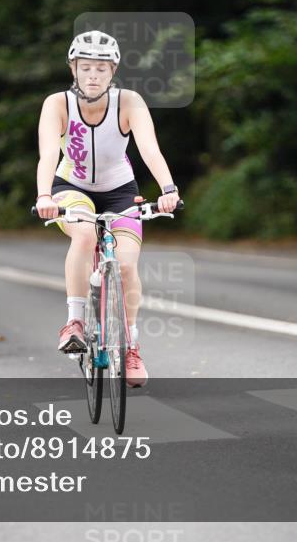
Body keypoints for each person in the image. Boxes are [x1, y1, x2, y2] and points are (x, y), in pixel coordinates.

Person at [34, 30, 181, 388]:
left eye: (101, 69)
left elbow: (149, 149)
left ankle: (130, 347)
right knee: (85, 235)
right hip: (71, 188)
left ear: (113, 71)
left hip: (120, 191)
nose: (93, 75)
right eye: (85, 68)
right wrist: (44, 196)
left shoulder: (129, 102)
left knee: (127, 265)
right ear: (73, 69)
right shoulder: (57, 104)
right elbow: (48, 154)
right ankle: (74, 322)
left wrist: (168, 189)